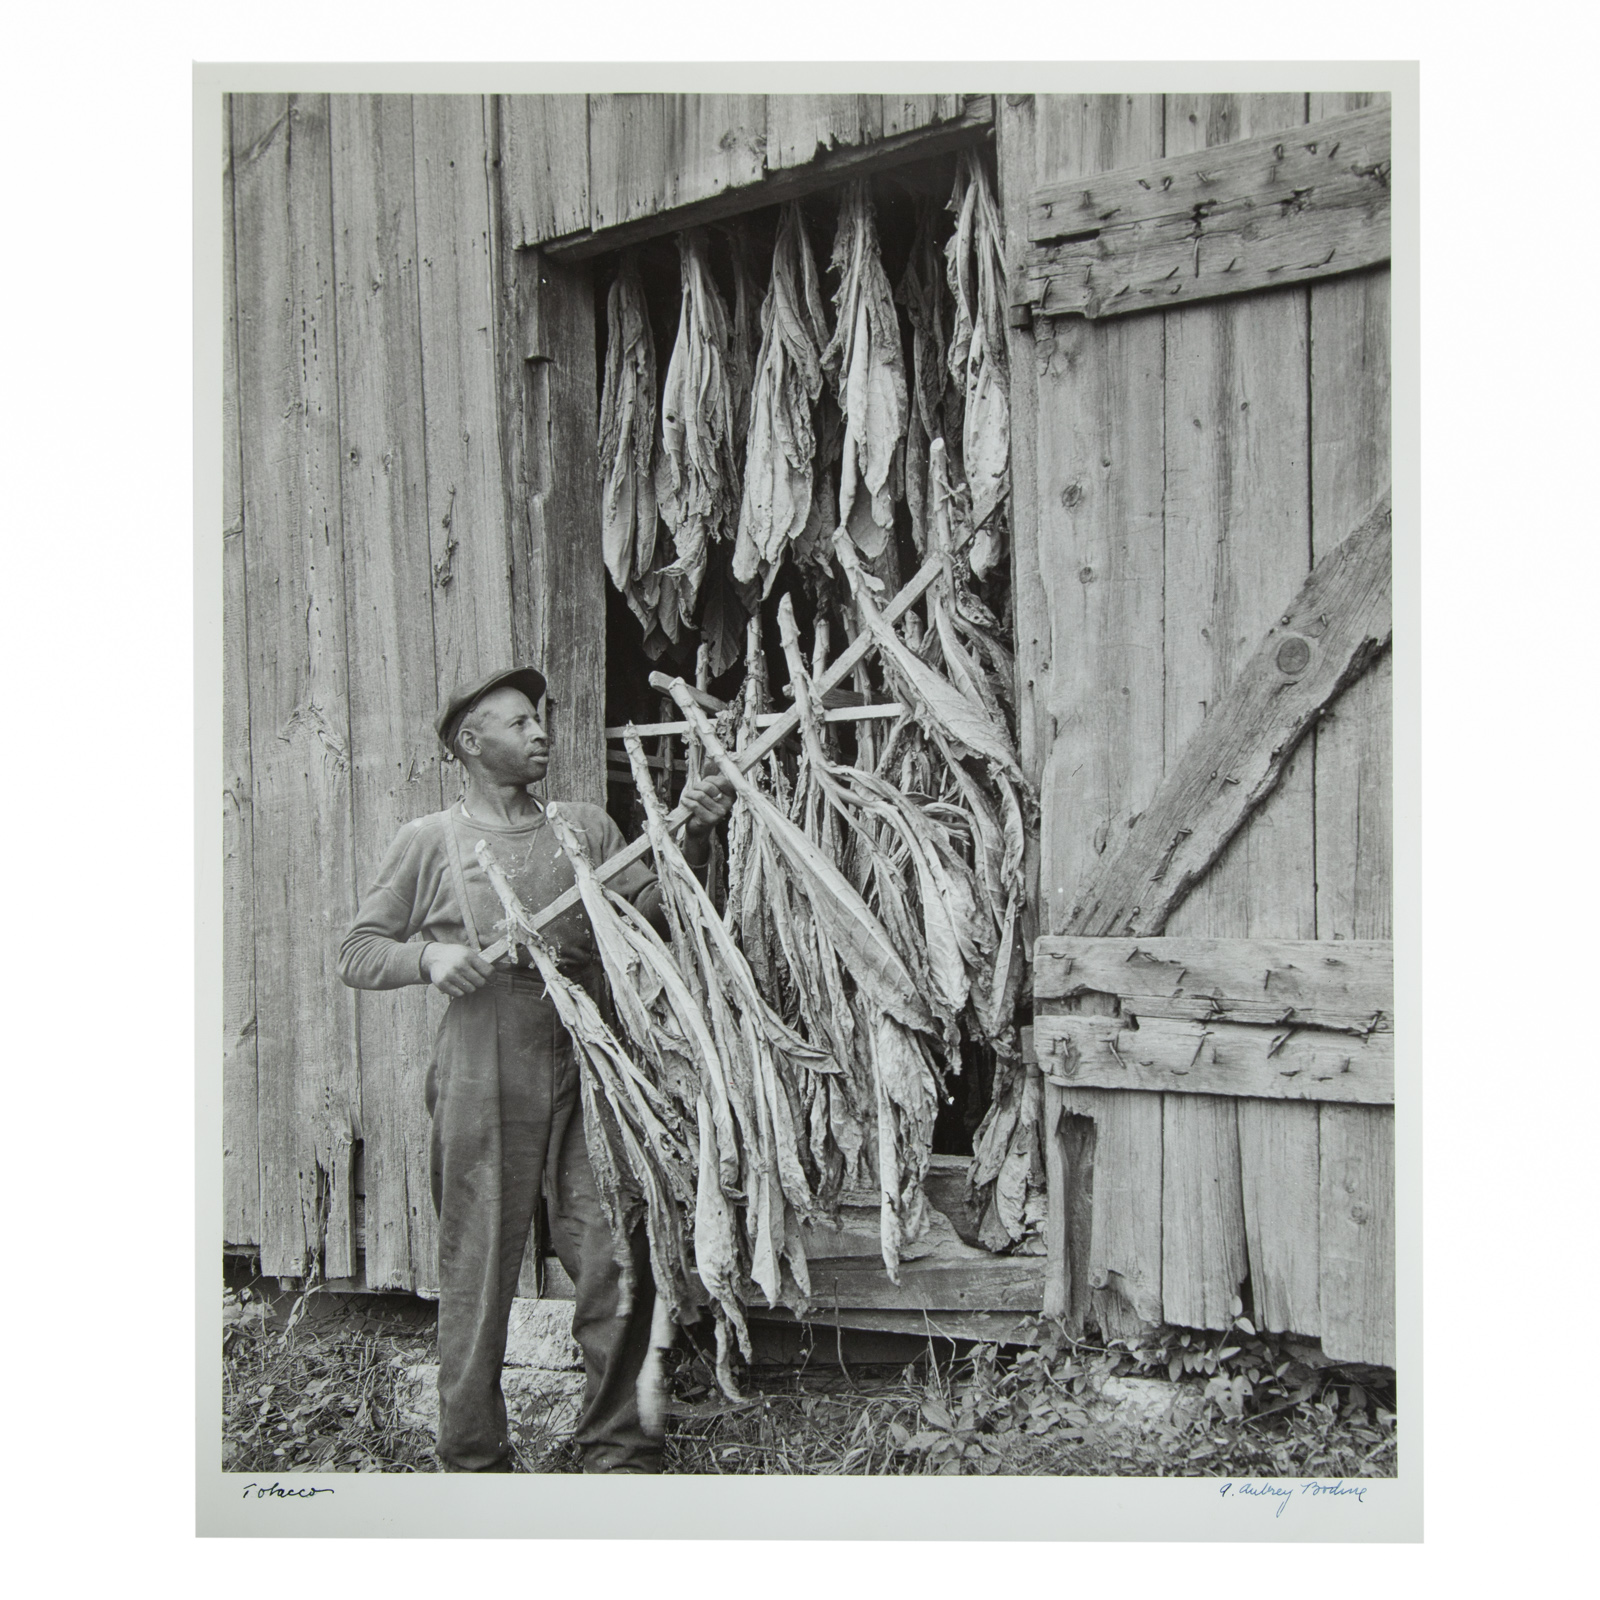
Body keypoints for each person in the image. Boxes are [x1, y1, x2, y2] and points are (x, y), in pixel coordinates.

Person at [338, 665, 732, 1473]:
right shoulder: (431, 842)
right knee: (477, 1267)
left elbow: (644, 911)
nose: (540, 732)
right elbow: (357, 950)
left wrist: (687, 832)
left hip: (590, 1056)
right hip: (484, 1065)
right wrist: (429, 955)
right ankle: (474, 1459)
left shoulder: (584, 828)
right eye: (518, 723)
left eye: (540, 719)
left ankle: (618, 1450)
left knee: (618, 1251)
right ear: (470, 744)